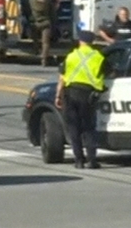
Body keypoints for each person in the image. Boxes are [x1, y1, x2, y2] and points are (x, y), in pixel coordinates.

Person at [54, 30, 106, 169]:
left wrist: (58, 95)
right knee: (89, 128)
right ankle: (92, 160)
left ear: (80, 41)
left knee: (73, 128)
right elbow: (106, 74)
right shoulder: (98, 57)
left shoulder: (71, 56)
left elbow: (62, 78)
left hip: (70, 94)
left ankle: (79, 160)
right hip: (88, 95)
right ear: (92, 42)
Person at [29, 0, 53, 66]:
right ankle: (44, 60)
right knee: (45, 43)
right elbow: (52, 12)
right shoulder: (48, 0)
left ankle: (35, 50)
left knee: (35, 38)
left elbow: (28, 9)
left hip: (35, 23)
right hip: (46, 22)